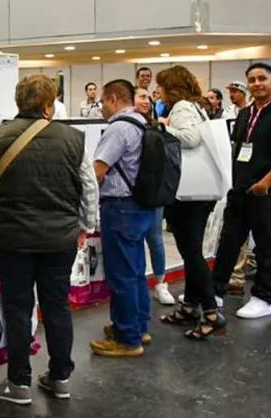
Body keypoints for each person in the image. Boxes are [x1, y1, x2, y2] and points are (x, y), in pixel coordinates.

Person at [0, 76, 98, 406]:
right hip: (60, 237)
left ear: (18, 102)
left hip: (11, 238)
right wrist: (85, 227)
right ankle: (61, 377)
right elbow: (89, 188)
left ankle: (18, 382)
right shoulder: (73, 139)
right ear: (50, 105)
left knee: (18, 308)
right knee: (57, 306)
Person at [212, 64, 271, 320]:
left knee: (265, 246)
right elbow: (238, 148)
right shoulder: (245, 114)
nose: (257, 83)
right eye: (252, 79)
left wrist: (265, 184)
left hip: (264, 192)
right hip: (240, 189)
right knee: (228, 243)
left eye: (262, 78)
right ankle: (215, 291)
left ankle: (263, 297)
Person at [156, 66, 227, 340]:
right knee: (191, 251)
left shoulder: (182, 107)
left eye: (162, 86)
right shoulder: (196, 106)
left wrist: (163, 126)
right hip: (201, 193)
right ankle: (189, 306)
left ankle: (211, 313)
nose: (158, 91)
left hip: (189, 194)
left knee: (191, 252)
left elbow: (191, 138)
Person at [90, 80, 154, 358]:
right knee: (135, 270)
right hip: (139, 206)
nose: (102, 107)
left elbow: (97, 171)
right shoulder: (142, 123)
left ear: (113, 99)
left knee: (121, 275)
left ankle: (127, 338)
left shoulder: (118, 128)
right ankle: (137, 326)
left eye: (103, 102)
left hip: (119, 208)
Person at [133, 85, 174, 307]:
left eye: (147, 98)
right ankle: (138, 284)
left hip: (155, 191)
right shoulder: (125, 126)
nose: (146, 101)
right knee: (135, 241)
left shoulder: (157, 127)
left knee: (155, 239)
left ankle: (160, 283)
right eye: (141, 97)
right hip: (133, 192)